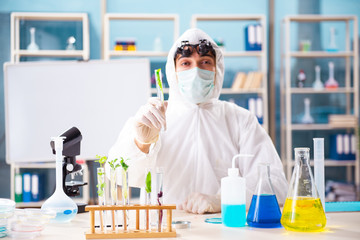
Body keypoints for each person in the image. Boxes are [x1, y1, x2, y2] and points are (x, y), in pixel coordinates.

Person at [108, 28, 288, 214]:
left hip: (223, 228)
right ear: (173, 71)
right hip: (165, 227)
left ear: (217, 69)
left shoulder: (240, 119)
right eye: (186, 63)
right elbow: (117, 176)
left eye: (205, 62)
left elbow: (275, 183)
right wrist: (141, 144)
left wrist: (223, 199)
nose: (195, 71)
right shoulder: (152, 117)